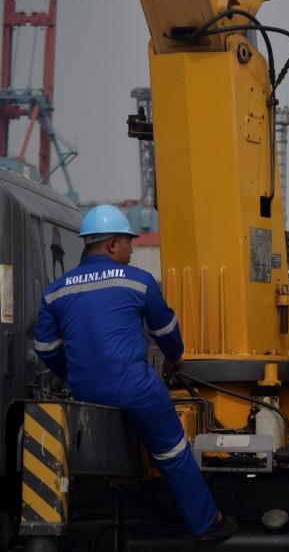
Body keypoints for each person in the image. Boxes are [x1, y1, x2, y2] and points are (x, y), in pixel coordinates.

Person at [33, 205, 236, 540]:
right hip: (134, 388)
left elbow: (46, 349)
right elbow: (167, 330)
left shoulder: (56, 291)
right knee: (172, 451)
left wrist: (75, 375)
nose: (132, 248)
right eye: (129, 242)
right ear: (112, 245)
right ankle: (208, 523)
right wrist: (173, 359)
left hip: (85, 392)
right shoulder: (138, 282)